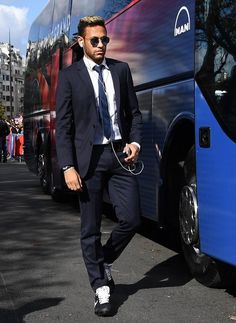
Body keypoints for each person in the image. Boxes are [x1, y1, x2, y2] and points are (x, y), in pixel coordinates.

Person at [56, 15, 142, 316]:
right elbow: (63, 126)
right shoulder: (69, 77)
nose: (101, 44)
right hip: (87, 160)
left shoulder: (120, 70)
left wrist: (135, 142)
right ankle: (101, 288)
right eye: (95, 40)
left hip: (119, 155)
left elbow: (134, 114)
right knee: (89, 228)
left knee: (131, 218)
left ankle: (101, 260)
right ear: (82, 42)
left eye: (105, 39)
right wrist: (67, 166)